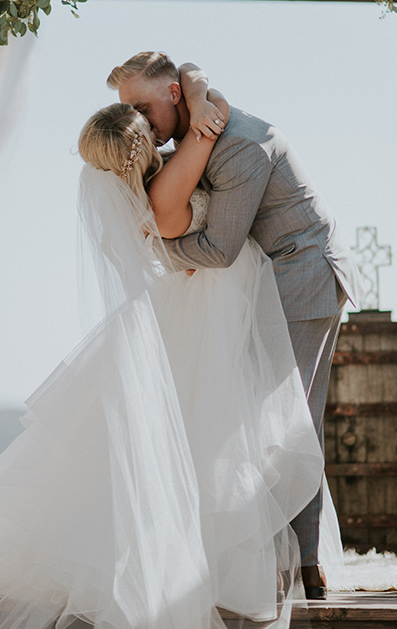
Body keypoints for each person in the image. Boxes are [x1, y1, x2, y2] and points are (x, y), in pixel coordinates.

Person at [0, 94, 326, 629]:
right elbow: (212, 237)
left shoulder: (133, 195)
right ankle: (228, 564)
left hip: (194, 306)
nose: (163, 136)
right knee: (222, 432)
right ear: (142, 146)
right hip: (214, 304)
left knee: (201, 432)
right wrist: (205, 116)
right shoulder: (166, 194)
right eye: (151, 132)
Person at [106, 51, 364, 599]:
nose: (139, 120)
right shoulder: (196, 128)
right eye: (127, 108)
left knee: (291, 422)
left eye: (142, 106)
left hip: (303, 277)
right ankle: (277, 561)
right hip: (270, 284)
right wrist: (198, 90)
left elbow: (219, 250)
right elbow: (192, 65)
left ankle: (305, 566)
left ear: (172, 95)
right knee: (257, 418)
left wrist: (157, 248)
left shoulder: (239, 145)